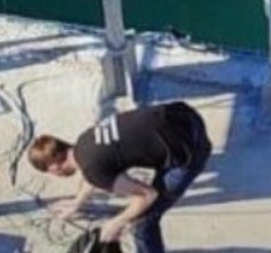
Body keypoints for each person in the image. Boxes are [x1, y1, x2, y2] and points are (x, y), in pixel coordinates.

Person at [27, 101, 212, 253]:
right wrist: (77, 202)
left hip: (189, 151)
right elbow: (92, 173)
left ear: (54, 165)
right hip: (183, 116)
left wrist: (116, 223)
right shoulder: (85, 142)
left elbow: (148, 195)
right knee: (139, 201)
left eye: (49, 172)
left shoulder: (93, 169)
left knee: (142, 222)